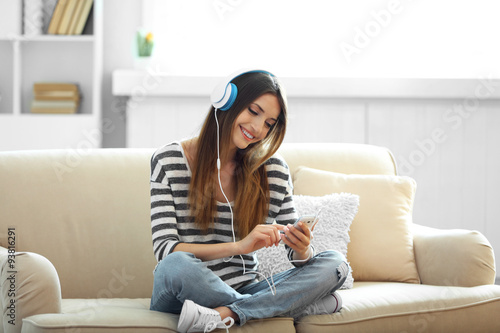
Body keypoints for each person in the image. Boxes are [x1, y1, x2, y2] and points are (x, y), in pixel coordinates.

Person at [149, 69, 350, 333]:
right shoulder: (169, 160)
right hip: (182, 292)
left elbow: (296, 255)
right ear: (226, 102)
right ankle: (282, 307)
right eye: (253, 111)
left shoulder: (274, 171)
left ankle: (227, 313)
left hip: (247, 286)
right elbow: (165, 249)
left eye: (269, 123)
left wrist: (302, 249)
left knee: (335, 264)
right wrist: (240, 247)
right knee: (176, 265)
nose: (257, 128)